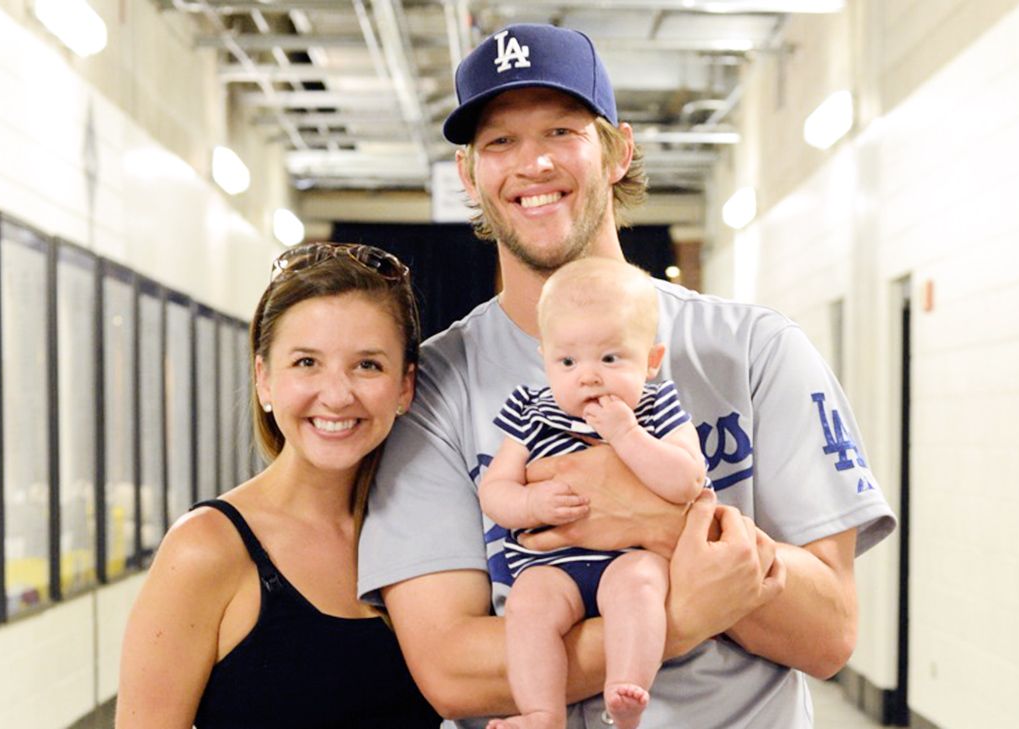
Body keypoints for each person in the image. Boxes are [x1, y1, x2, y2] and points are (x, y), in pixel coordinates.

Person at [358, 22, 897, 729]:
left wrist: (664, 522)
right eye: (500, 142)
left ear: (618, 151)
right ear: (470, 174)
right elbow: (451, 669)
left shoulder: (757, 350)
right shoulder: (434, 386)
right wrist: (680, 616)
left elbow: (829, 633)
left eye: (561, 130)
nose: (533, 164)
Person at [116, 242, 441, 729]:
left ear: (405, 386)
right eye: (307, 362)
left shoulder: (430, 540)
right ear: (264, 379)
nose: (335, 395)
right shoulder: (206, 549)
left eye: (367, 365)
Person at [480, 258, 707, 729]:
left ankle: (627, 693)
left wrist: (627, 435)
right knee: (527, 608)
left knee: (640, 588)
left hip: (629, 556)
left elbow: (687, 480)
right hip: (550, 566)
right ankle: (542, 712)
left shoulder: (656, 406)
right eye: (567, 361)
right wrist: (530, 504)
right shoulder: (530, 409)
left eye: (609, 358)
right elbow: (495, 490)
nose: (588, 376)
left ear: (650, 360)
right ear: (545, 358)